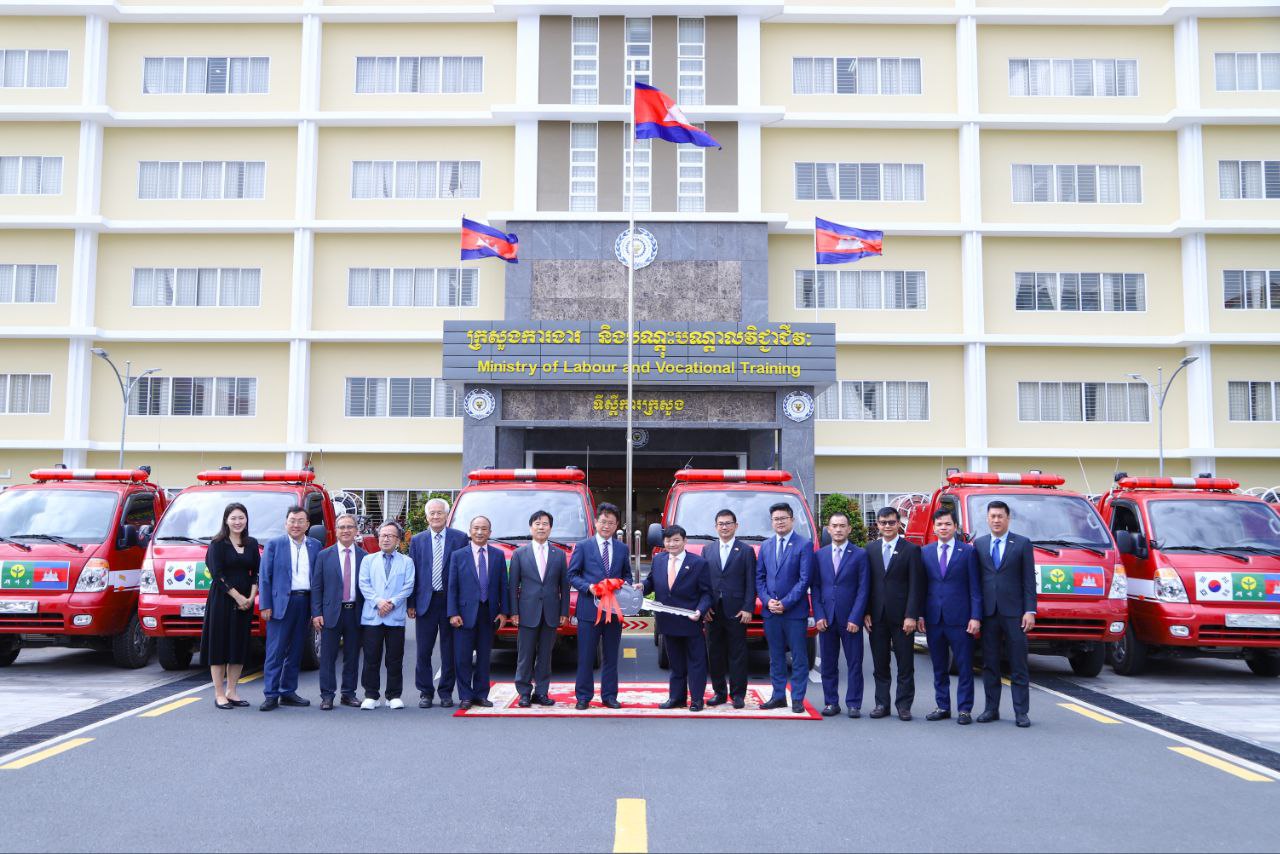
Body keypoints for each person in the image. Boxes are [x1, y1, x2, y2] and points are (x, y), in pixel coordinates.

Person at [972, 500, 1037, 727]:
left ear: (1008, 518)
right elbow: (976, 582)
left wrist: (1030, 610)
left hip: (1015, 614)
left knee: (1018, 663)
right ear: (987, 519)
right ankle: (991, 709)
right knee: (990, 664)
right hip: (989, 613)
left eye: (1000, 516)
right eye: (993, 516)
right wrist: (975, 614)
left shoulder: (1022, 543)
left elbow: (1029, 581)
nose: (996, 520)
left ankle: (1021, 712)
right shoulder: (979, 544)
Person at [919, 508, 982, 725]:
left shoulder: (968, 552)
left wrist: (975, 616)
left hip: (961, 619)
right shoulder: (925, 552)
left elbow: (975, 588)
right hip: (934, 618)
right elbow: (921, 586)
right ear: (934, 528)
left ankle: (964, 709)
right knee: (939, 666)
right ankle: (942, 706)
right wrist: (920, 614)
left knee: (964, 667)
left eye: (947, 524)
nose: (943, 528)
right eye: (939, 524)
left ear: (955, 527)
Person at [567, 503, 632, 710]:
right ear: (596, 522)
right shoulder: (583, 546)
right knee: (586, 656)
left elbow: (627, 575)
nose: (606, 526)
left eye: (611, 523)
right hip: (589, 610)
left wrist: (623, 585)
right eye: (603, 521)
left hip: (614, 611)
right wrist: (589, 587)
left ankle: (609, 696)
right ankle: (583, 696)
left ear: (616, 525)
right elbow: (572, 575)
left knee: (611, 657)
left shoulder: (622, 548)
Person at [642, 525, 713, 711]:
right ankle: (676, 698)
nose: (671, 544)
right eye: (668, 540)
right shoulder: (659, 560)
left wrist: (701, 611)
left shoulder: (698, 563)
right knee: (675, 663)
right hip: (667, 620)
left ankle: (697, 700)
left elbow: (707, 593)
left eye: (676, 540)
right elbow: (651, 582)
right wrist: (641, 587)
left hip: (691, 620)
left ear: (684, 541)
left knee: (696, 663)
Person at [258, 505, 322, 711]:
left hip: (305, 602)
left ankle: (288, 691)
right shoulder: (274, 544)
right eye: (292, 521)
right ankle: (271, 694)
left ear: (308, 524)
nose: (296, 525)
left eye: (300, 521)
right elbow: (264, 577)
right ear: (286, 523)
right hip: (280, 604)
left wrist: (316, 610)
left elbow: (318, 580)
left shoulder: (315, 545)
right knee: (275, 651)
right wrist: (265, 604)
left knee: (296, 650)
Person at [408, 497, 469, 709]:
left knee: (449, 650)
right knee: (423, 651)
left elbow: (463, 573)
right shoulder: (418, 540)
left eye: (439, 513)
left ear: (447, 515)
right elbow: (413, 573)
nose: (436, 516)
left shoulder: (460, 538)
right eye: (432, 513)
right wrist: (411, 603)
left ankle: (445, 692)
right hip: (425, 602)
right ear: (427, 517)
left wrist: (460, 605)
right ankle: (425, 692)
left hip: (450, 602)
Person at [864, 506, 924, 721]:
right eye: (883, 522)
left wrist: (911, 615)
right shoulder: (870, 549)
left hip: (902, 618)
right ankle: (882, 704)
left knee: (905, 664)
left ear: (899, 523)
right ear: (878, 525)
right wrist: (866, 612)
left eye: (891, 522)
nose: (887, 526)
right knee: (880, 664)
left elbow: (916, 585)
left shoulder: (911, 550)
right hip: (877, 617)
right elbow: (866, 584)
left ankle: (904, 706)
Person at [755, 502, 815, 714]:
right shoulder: (766, 545)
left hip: (794, 612)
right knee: (776, 656)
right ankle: (778, 696)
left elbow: (805, 579)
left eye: (783, 518)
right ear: (771, 522)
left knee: (798, 657)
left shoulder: (804, 545)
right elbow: (760, 578)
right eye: (776, 519)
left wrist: (786, 602)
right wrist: (767, 600)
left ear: (792, 520)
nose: (779, 522)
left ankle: (797, 698)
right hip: (770, 612)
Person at [508, 509, 570, 707]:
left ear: (550, 528)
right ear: (531, 527)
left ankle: (541, 692)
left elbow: (564, 586)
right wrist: (514, 612)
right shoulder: (519, 554)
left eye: (545, 524)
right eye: (537, 524)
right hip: (527, 612)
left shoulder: (559, 555)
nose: (541, 527)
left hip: (551, 612)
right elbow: (513, 586)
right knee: (525, 655)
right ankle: (524, 693)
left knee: (545, 656)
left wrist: (564, 612)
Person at [199, 502, 259, 709]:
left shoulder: (251, 543)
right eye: (233, 518)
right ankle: (219, 693)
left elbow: (256, 572)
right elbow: (217, 574)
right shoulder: (217, 544)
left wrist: (250, 597)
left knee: (238, 645)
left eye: (241, 517)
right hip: (222, 600)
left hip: (245, 603)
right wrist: (238, 597)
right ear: (226, 520)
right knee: (219, 645)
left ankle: (232, 691)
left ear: (246, 520)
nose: (237, 522)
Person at [447, 516, 509, 710]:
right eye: (476, 528)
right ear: (470, 531)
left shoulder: (498, 555)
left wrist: (504, 612)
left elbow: (503, 585)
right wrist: (453, 613)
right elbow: (452, 587)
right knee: (463, 657)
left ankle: (481, 694)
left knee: (484, 657)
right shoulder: (458, 555)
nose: (480, 532)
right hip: (464, 614)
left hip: (488, 613)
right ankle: (465, 696)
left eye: (484, 529)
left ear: (490, 532)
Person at [812, 511, 869, 718]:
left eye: (842, 526)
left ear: (849, 529)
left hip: (850, 619)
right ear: (828, 529)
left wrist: (856, 617)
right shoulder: (820, 555)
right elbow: (816, 588)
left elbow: (863, 589)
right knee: (828, 663)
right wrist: (819, 615)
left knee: (854, 663)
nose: (838, 529)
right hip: (826, 618)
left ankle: (854, 704)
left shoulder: (860, 554)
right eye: (834, 526)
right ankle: (831, 702)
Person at [311, 513, 367, 710]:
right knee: (328, 657)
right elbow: (317, 586)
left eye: (350, 527)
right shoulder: (324, 555)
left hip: (355, 613)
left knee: (352, 656)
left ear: (356, 530)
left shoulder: (364, 557)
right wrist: (316, 613)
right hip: (330, 613)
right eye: (342, 527)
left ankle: (348, 694)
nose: (346, 530)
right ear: (335, 531)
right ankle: (327, 695)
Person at [358, 521, 415, 710]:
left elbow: (408, 586)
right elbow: (364, 584)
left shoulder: (406, 562)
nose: (386, 539)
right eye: (383, 535)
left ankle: (393, 695)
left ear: (398, 540)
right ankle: (371, 695)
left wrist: (391, 603)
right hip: (373, 616)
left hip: (395, 616)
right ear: (378, 538)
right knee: (371, 658)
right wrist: (378, 602)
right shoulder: (368, 560)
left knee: (395, 658)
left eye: (391, 535)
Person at [703, 508, 756, 709]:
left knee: (737, 654)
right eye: (721, 524)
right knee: (714, 653)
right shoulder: (708, 550)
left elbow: (751, 582)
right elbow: (704, 582)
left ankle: (738, 694)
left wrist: (748, 608)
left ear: (736, 526)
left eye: (728, 523)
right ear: (715, 527)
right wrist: (704, 607)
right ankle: (719, 693)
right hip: (713, 611)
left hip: (737, 610)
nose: (724, 527)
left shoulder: (746, 550)